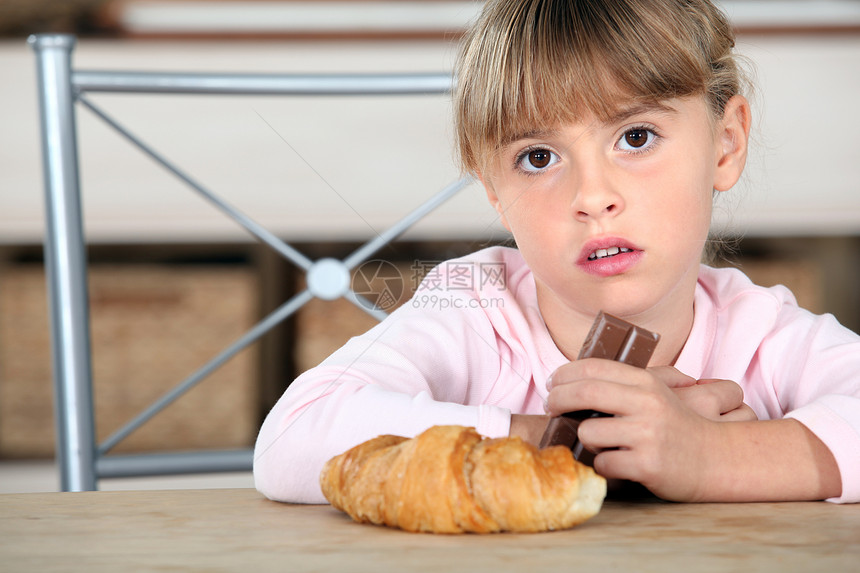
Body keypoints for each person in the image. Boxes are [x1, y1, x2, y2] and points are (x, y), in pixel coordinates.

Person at [253, 0, 859, 504]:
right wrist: (567, 442)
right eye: (538, 158)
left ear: (726, 144)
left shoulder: (762, 335)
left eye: (636, 137)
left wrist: (713, 457)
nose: (592, 198)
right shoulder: (473, 312)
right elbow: (293, 439)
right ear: (494, 190)